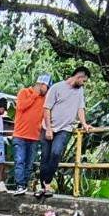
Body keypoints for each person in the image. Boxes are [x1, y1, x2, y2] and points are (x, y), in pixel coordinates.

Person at [39, 66, 91, 197]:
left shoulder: (80, 91)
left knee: (56, 153)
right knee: (45, 157)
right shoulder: (57, 87)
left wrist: (84, 123)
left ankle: (47, 182)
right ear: (79, 76)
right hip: (48, 127)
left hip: (65, 128)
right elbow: (46, 109)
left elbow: (80, 108)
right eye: (84, 80)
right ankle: (43, 187)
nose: (84, 83)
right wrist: (49, 129)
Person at [12, 74, 52, 196]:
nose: (48, 90)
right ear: (41, 85)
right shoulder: (24, 92)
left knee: (29, 164)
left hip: (34, 137)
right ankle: (20, 185)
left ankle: (25, 184)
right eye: (47, 87)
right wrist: (35, 94)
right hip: (20, 135)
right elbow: (21, 106)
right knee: (19, 161)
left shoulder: (45, 99)